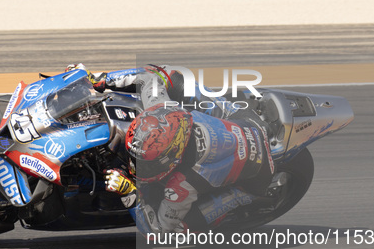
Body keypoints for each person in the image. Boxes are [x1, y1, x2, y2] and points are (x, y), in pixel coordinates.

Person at [65, 63, 275, 236]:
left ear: (173, 160)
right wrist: (100, 80)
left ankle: (245, 199)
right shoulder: (164, 109)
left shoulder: (183, 184)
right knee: (172, 75)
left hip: (258, 169)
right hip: (237, 120)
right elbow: (147, 78)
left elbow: (158, 230)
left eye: (145, 165)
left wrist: (129, 191)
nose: (133, 167)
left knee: (179, 230)